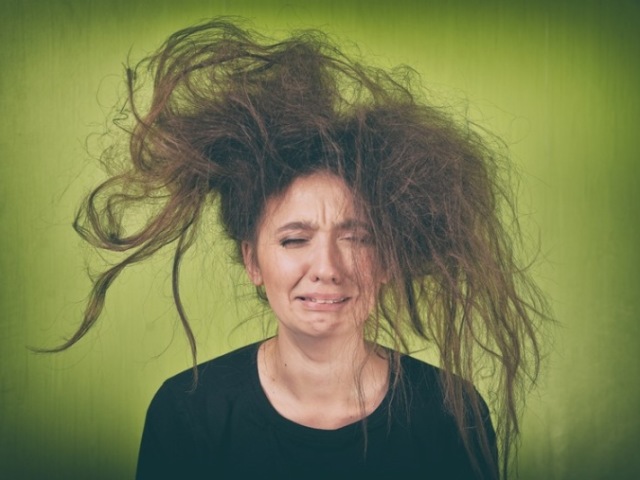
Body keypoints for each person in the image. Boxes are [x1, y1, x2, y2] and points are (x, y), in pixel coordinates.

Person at [62, 18, 546, 479]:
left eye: (357, 238)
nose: (327, 268)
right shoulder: (189, 411)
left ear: (388, 261)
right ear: (252, 261)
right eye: (295, 239)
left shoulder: (450, 412)